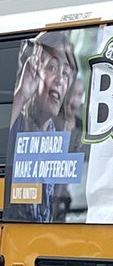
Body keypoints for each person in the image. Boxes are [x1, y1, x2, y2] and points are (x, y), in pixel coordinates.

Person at [6, 31, 78, 222]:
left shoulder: (58, 137)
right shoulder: (17, 122)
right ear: (34, 72)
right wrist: (21, 94)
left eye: (65, 73)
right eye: (52, 67)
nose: (60, 80)